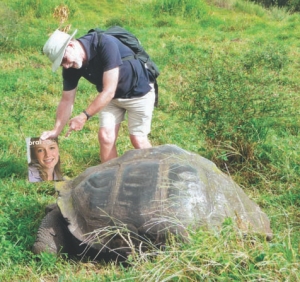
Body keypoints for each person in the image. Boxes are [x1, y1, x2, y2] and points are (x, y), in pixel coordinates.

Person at [41, 28, 156, 162]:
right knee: (105, 137)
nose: (65, 66)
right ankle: (111, 179)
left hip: (138, 93)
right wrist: (56, 130)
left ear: (71, 45)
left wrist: (84, 116)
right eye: (61, 63)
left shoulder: (104, 44)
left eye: (64, 59)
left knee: (138, 139)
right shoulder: (72, 65)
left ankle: (156, 173)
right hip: (111, 99)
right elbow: (67, 100)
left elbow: (109, 90)